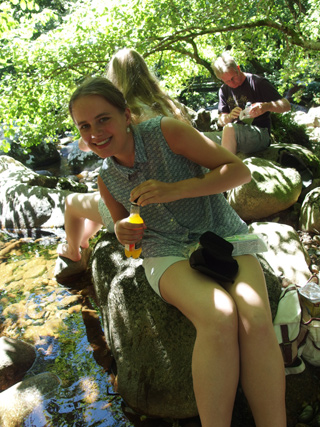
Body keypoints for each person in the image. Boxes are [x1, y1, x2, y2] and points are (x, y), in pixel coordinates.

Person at [68, 76, 287, 427]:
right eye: (85, 126)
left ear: (126, 115)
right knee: (218, 318)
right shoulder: (106, 178)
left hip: (221, 231)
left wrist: (176, 189)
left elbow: (239, 171)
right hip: (164, 250)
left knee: (256, 321)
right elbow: (132, 245)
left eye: (103, 119)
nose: (95, 132)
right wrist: (125, 234)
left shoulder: (166, 131)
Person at [58, 48, 191, 261]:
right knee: (105, 192)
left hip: (143, 210)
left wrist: (88, 127)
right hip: (181, 198)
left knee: (72, 202)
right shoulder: (168, 105)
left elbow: (86, 145)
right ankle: (85, 240)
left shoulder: (126, 110)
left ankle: (73, 254)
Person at [211, 51, 291, 154]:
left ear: (238, 69)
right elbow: (221, 121)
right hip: (233, 134)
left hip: (259, 134)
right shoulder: (224, 90)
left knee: (229, 129)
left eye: (233, 78)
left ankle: (229, 168)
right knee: (201, 138)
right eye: (227, 81)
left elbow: (286, 105)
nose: (232, 83)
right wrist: (230, 116)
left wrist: (266, 107)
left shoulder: (257, 82)